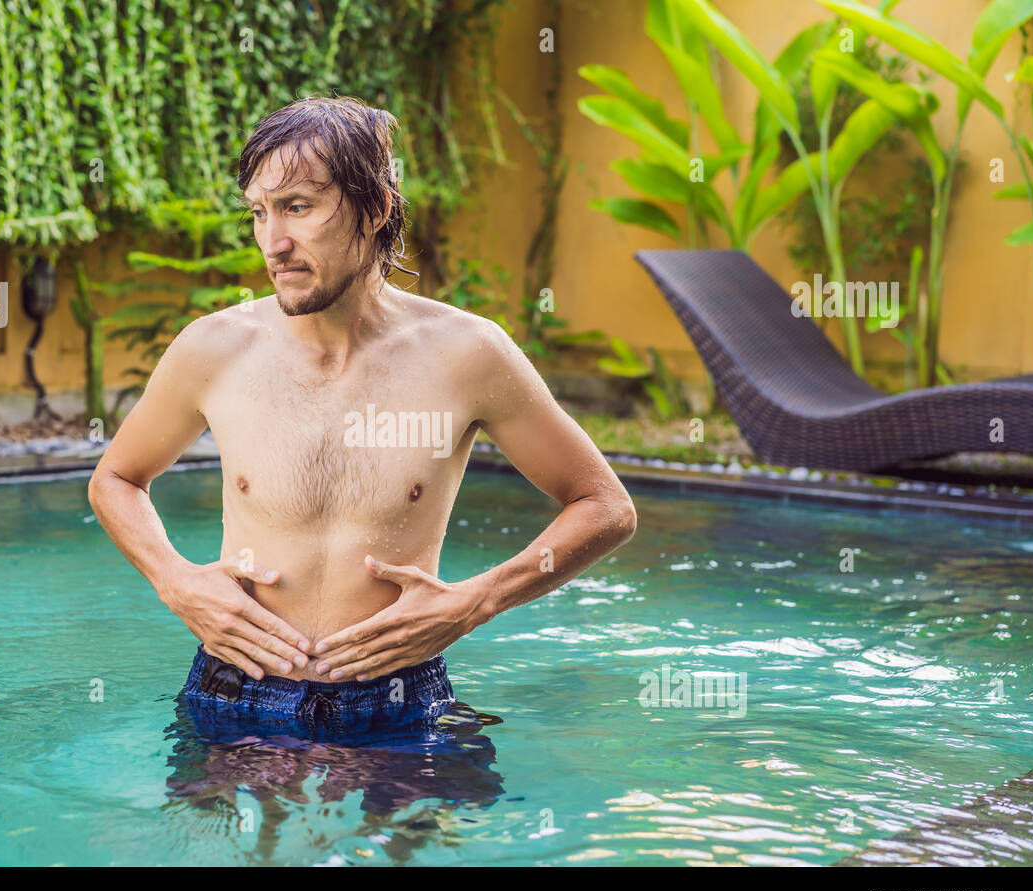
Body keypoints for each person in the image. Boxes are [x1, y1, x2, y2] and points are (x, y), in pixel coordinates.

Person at [88, 95, 636, 740]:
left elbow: (604, 507)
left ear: (375, 208)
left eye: (298, 207)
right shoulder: (213, 348)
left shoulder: (467, 354)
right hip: (235, 689)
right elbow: (116, 479)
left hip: (399, 698)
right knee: (214, 844)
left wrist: (474, 602)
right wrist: (175, 581)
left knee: (440, 840)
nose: (274, 241)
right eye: (259, 213)